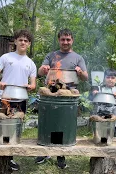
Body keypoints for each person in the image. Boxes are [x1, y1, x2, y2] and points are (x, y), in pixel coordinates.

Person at [36, 28, 88, 169]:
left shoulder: (78, 58)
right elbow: (40, 72)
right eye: (63, 39)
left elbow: (85, 77)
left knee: (62, 124)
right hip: (52, 91)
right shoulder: (51, 55)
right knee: (48, 121)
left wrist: (80, 72)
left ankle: (61, 155)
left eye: (68, 39)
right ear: (59, 40)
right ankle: (44, 152)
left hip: (69, 94)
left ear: (72, 40)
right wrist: (44, 68)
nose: (65, 42)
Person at [0, 29, 36, 171]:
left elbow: (33, 84)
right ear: (15, 41)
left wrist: (30, 86)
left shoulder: (31, 63)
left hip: (20, 99)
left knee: (15, 130)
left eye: (26, 41)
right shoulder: (6, 57)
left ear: (29, 44)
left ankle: (9, 159)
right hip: (4, 97)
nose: (23, 42)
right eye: (20, 40)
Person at [92, 69, 116, 136]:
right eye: (108, 77)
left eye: (112, 78)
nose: (110, 79)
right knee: (100, 137)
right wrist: (93, 94)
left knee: (111, 138)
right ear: (104, 79)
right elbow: (90, 98)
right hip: (99, 119)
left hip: (113, 120)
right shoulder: (99, 88)